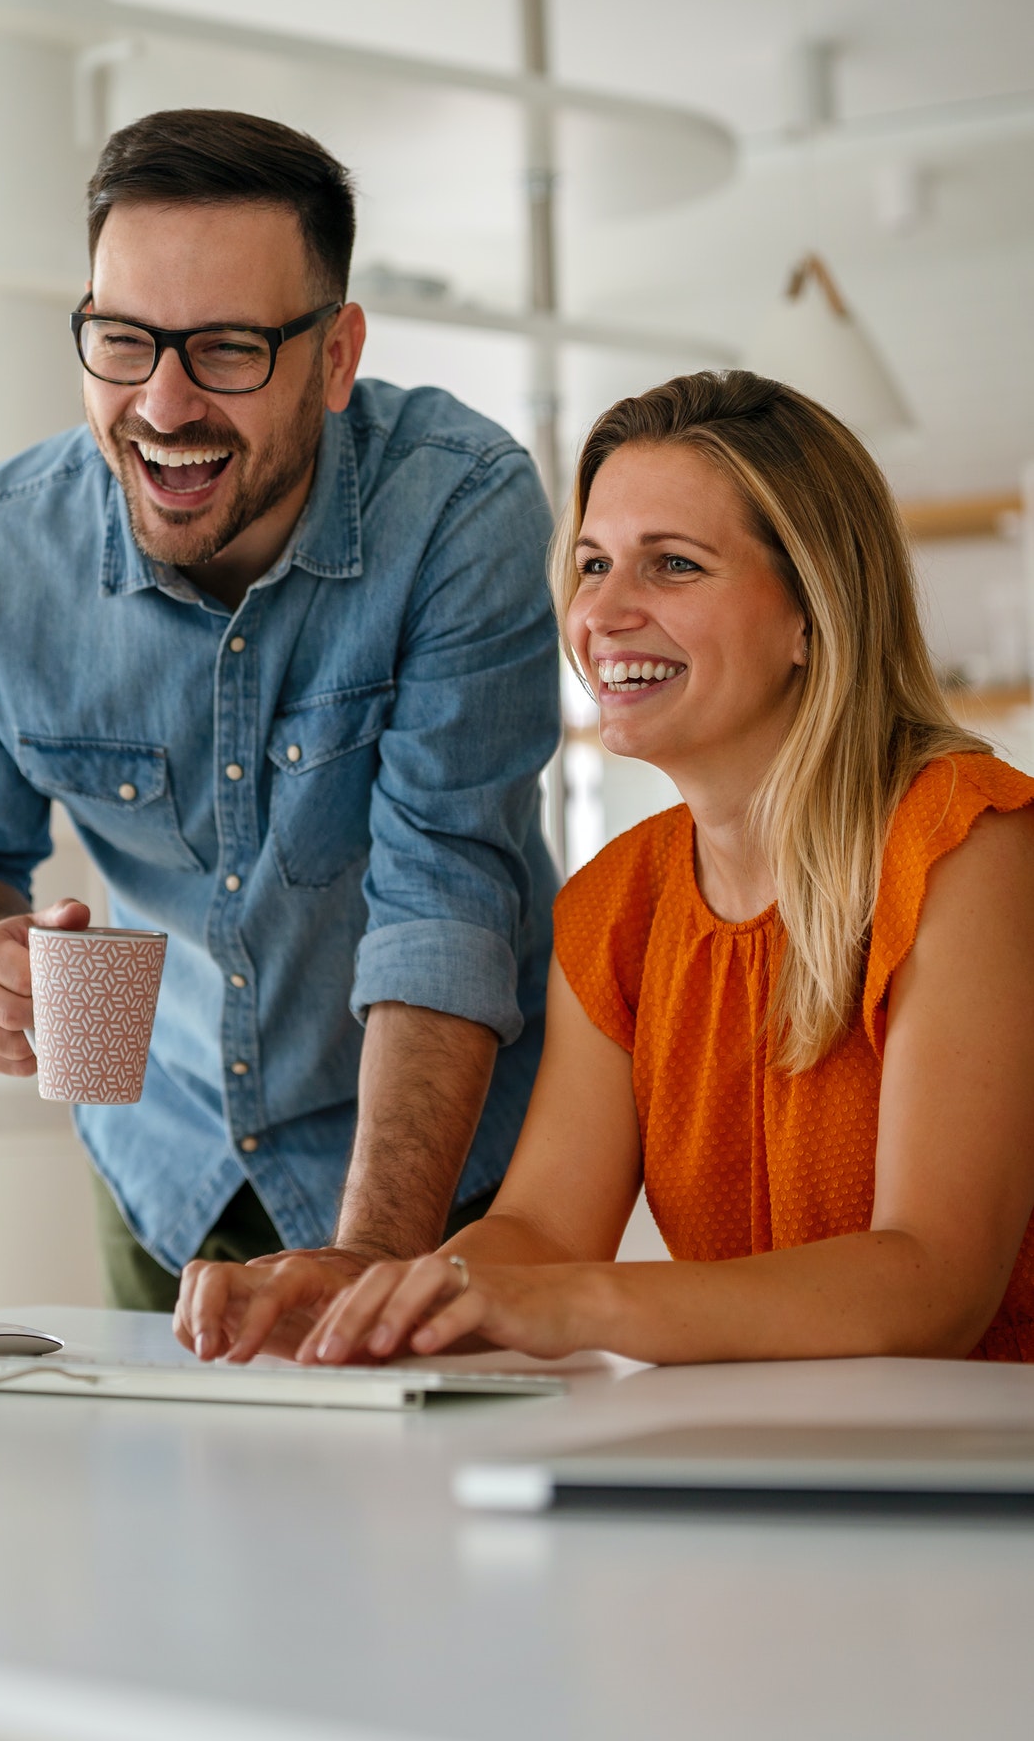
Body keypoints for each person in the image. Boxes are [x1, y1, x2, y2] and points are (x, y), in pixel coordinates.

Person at [178, 368, 1034, 1365]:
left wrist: (583, 1305)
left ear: (810, 611)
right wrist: (391, 1287)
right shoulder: (616, 904)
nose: (602, 612)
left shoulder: (965, 842)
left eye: (671, 564)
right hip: (771, 1456)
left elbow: (931, 1279)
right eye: (591, 563)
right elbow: (539, 1232)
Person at [0, 108, 561, 1310]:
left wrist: (364, 1267)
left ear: (337, 353)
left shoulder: (459, 505)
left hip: (441, 1166)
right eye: (123, 339)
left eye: (230, 350)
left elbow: (447, 899)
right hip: (168, 1168)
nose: (164, 404)